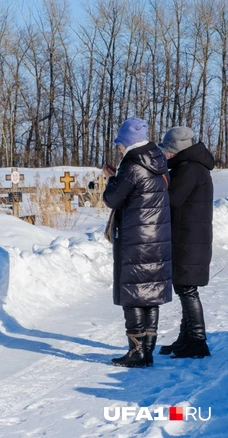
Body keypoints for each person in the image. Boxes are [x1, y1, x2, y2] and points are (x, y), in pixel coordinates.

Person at [102, 117, 173, 367]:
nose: (119, 148)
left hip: (136, 237)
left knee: (133, 292)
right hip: (157, 236)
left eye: (120, 144)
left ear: (129, 143)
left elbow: (112, 199)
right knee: (151, 291)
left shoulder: (132, 164)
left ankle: (136, 352)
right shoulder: (157, 159)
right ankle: (147, 349)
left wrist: (111, 179)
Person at [157, 127, 213, 358]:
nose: (165, 155)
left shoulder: (189, 169)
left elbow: (172, 199)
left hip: (188, 239)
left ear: (177, 151)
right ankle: (186, 338)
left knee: (187, 290)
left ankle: (198, 341)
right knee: (184, 288)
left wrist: (159, 181)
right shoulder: (191, 166)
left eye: (168, 151)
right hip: (189, 238)